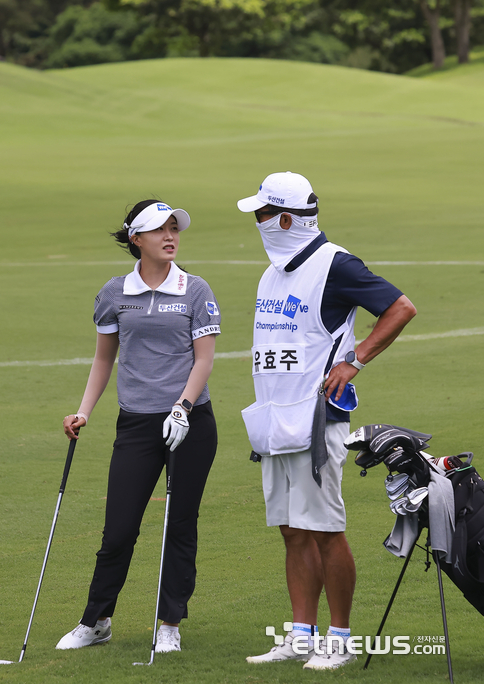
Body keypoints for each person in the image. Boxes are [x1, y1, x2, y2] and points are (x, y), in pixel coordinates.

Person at [237, 172, 417, 670]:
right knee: (292, 530)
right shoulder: (271, 273)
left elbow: (401, 308)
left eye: (263, 213)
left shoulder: (334, 263)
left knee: (323, 530)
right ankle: (300, 634)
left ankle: (339, 639)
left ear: (287, 218)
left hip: (317, 420)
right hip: (275, 418)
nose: (258, 222)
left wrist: (355, 359)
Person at [55, 199, 220, 654]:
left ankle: (169, 623)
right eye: (158, 230)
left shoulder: (195, 289)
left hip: (190, 423)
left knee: (179, 525)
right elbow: (104, 358)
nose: (170, 237)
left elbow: (204, 359)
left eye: (174, 229)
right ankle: (97, 620)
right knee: (119, 529)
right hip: (136, 426)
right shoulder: (114, 292)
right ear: (137, 239)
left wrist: (183, 407)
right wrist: (83, 411)